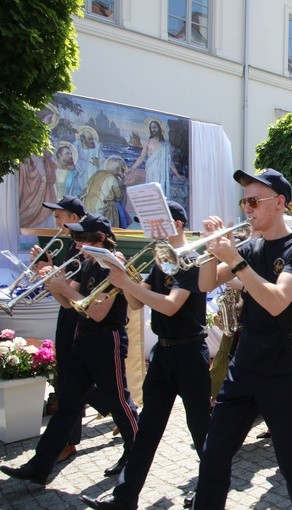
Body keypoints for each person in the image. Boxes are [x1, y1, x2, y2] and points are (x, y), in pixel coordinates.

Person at [191, 168, 292, 509]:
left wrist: (234, 259)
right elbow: (206, 284)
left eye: (254, 200)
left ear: (279, 203)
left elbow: (277, 301)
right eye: (244, 200)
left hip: (282, 371)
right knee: (213, 452)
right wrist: (209, 250)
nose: (247, 208)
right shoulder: (249, 245)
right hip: (243, 367)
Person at [81, 202, 211, 510]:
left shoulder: (192, 258)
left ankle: (209, 491)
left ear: (178, 224)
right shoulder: (160, 259)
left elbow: (169, 305)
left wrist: (127, 283)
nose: (152, 229)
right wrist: (122, 277)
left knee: (200, 427)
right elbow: (137, 305)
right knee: (148, 428)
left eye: (158, 223)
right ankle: (125, 498)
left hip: (191, 351)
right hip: (164, 353)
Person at [1, 214, 139, 485]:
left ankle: (136, 452)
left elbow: (99, 311)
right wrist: (51, 280)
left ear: (100, 239)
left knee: (119, 402)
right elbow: (68, 303)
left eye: (81, 238)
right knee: (67, 405)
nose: (76, 244)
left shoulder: (113, 265)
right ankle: (40, 466)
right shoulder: (88, 263)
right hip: (83, 339)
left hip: (105, 340)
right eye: (75, 238)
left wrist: (63, 286)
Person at [128, 118, 184, 198]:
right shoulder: (148, 142)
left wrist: (177, 174)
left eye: (155, 127)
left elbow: (169, 161)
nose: (153, 129)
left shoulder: (165, 145)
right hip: (151, 171)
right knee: (151, 194)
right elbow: (141, 157)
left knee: (160, 195)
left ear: (159, 128)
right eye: (152, 127)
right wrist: (132, 168)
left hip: (161, 173)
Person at [83, 155, 131, 229]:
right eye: (121, 169)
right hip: (102, 210)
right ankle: (118, 229)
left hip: (87, 206)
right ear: (118, 169)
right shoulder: (113, 178)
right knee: (117, 206)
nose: (122, 171)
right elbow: (119, 196)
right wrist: (122, 182)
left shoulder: (97, 173)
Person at [74, 125, 104, 190]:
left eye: (92, 139)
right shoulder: (76, 149)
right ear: (83, 139)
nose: (92, 141)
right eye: (89, 139)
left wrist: (99, 163)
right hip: (79, 183)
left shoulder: (97, 149)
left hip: (94, 184)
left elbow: (104, 164)